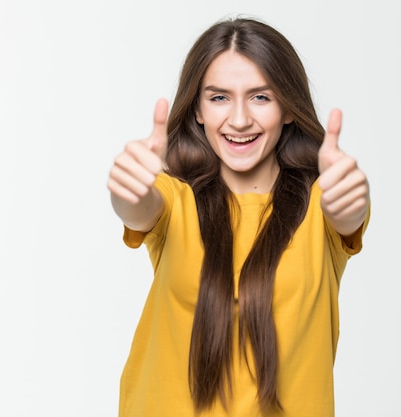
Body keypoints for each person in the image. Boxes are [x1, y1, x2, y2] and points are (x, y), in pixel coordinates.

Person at [108, 17, 370, 417]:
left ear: (287, 108)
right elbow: (140, 208)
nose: (240, 119)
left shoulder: (321, 205)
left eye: (261, 97)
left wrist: (349, 200)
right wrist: (130, 187)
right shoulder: (176, 199)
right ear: (197, 110)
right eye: (219, 98)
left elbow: (348, 216)